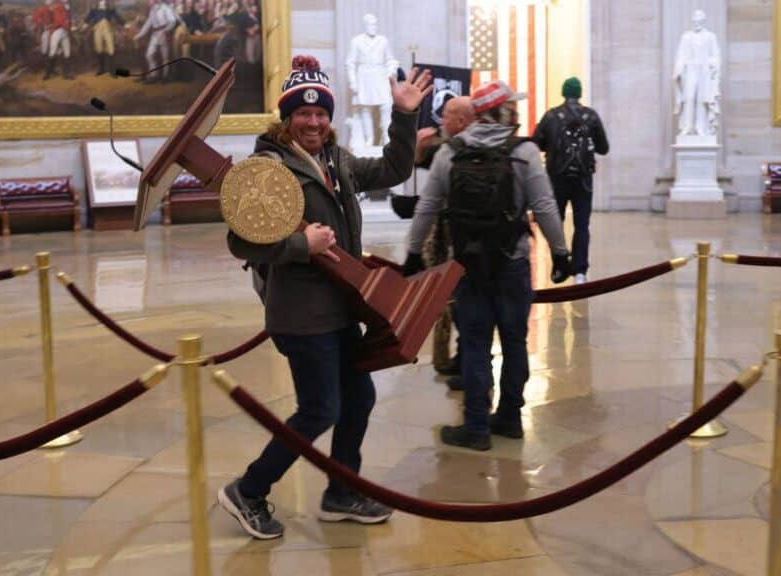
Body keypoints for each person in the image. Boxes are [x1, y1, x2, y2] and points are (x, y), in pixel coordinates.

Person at [219, 55, 432, 539]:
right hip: (300, 312)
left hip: (339, 307)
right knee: (320, 408)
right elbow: (239, 242)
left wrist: (404, 115)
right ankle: (248, 491)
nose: (313, 121)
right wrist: (300, 245)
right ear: (286, 118)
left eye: (320, 113)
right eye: (302, 113)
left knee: (358, 396)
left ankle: (341, 492)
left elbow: (396, 168)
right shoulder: (267, 168)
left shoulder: (337, 160)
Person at [402, 80, 570, 451]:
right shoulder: (524, 152)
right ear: (504, 111)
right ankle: (510, 417)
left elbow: (427, 206)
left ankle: (476, 426)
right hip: (512, 262)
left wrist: (413, 252)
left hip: (468, 265)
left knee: (475, 343)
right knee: (514, 342)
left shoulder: (451, 152)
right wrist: (561, 253)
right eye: (514, 105)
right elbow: (544, 206)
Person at [414, 96, 475, 379]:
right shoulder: (446, 147)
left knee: (459, 304)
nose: (442, 120)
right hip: (453, 240)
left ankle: (461, 364)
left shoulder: (452, 149)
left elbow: (430, 201)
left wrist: (413, 250)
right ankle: (453, 359)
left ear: (462, 121)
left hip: (457, 242)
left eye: (448, 115)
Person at [532, 77, 609, 285]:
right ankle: (580, 271)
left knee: (555, 223)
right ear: (579, 93)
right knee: (582, 224)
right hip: (583, 180)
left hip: (557, 178)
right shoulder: (591, 116)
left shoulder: (551, 116)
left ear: (564, 93)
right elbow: (604, 148)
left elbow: (536, 143)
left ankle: (560, 265)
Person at [346, 13, 399, 150]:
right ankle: (368, 138)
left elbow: (390, 59)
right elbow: (350, 63)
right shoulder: (356, 41)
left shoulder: (383, 40)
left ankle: (387, 138)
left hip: (380, 75)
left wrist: (391, 70)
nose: (373, 27)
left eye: (375, 24)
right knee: (365, 108)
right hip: (363, 76)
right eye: (370, 24)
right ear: (365, 25)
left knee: (385, 107)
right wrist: (353, 82)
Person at [672, 10, 721, 137]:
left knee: (701, 99)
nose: (697, 23)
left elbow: (715, 55)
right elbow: (681, 55)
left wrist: (712, 64)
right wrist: (678, 69)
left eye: (699, 20)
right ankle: (687, 126)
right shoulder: (686, 36)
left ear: (704, 21)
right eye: (695, 20)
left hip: (704, 69)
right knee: (688, 98)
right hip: (690, 69)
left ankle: (701, 128)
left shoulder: (711, 36)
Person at [134, 0, 177, 82]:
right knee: (149, 55)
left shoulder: (165, 8)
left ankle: (165, 76)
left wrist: (166, 30)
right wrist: (139, 35)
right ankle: (154, 75)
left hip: (164, 34)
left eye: (150, 1)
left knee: (165, 57)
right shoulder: (152, 10)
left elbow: (172, 21)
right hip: (155, 35)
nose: (148, 2)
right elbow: (148, 24)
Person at [85, 0, 124, 75]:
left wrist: (124, 24)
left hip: (107, 29)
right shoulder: (94, 10)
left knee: (111, 47)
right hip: (97, 29)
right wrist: (84, 26)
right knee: (99, 48)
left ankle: (111, 69)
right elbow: (88, 18)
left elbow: (117, 17)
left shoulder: (110, 9)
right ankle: (101, 69)